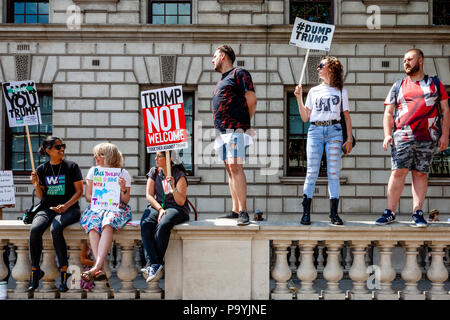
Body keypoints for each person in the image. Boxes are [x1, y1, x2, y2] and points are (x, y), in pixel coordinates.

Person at [375, 48, 449, 227]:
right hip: (403, 136)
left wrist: (445, 135)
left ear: (421, 60)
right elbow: (388, 112)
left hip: (427, 136)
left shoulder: (435, 84)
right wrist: (387, 134)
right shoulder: (398, 85)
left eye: (410, 59)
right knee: (398, 172)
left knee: (421, 174)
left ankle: (417, 212)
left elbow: (446, 110)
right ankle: (390, 212)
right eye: (404, 60)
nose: (406, 63)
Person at [294, 56, 353, 226]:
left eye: (321, 65)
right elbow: (305, 118)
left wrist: (349, 138)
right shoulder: (313, 91)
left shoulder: (341, 91)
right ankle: (306, 213)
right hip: (315, 131)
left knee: (333, 173)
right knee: (311, 172)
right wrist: (299, 98)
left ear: (331, 69)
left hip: (334, 131)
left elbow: (347, 117)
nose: (318, 68)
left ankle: (334, 213)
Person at [29, 136, 83, 292]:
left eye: (63, 146)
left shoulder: (71, 166)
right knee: (35, 230)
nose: (62, 149)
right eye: (58, 147)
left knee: (55, 228)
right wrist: (36, 184)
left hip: (70, 208)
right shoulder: (41, 169)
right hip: (48, 208)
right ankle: (35, 271)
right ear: (48, 151)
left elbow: (79, 191)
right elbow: (41, 196)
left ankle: (64, 272)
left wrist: (65, 206)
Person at [211, 44, 257, 226]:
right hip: (222, 132)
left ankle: (244, 211)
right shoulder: (223, 80)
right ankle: (235, 210)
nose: (212, 60)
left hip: (236, 129)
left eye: (214, 56)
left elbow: (252, 100)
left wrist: (244, 123)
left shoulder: (239, 73)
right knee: (230, 170)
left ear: (223, 56)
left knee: (235, 167)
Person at [80, 142, 132, 281]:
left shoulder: (123, 173)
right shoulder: (93, 171)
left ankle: (97, 267)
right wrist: (101, 200)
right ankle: (99, 267)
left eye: (100, 154)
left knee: (108, 223)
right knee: (92, 224)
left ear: (109, 156)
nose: (96, 157)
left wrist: (122, 188)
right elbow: (88, 196)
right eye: (96, 154)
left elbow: (125, 200)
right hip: (97, 207)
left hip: (117, 208)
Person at [140, 151, 190, 283]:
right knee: (145, 223)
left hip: (176, 208)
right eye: (155, 156)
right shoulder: (154, 172)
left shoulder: (179, 175)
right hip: (158, 206)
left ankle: (153, 264)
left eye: (159, 156)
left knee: (163, 224)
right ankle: (154, 264)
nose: (155, 158)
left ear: (169, 158)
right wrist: (160, 209)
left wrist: (173, 187)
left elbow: (180, 201)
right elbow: (149, 196)